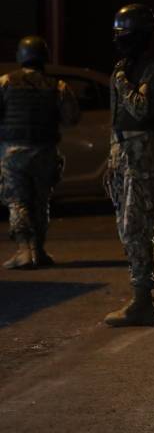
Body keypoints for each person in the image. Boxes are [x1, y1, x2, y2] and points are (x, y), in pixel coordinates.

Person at [103, 4, 154, 327]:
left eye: (124, 34)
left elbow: (142, 110)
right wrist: (111, 158)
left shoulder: (150, 69)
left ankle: (142, 299)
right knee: (125, 228)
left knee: (136, 227)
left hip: (143, 154)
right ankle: (140, 298)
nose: (119, 41)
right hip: (124, 154)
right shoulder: (123, 67)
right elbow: (118, 120)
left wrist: (122, 84)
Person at [0, 36, 80, 269]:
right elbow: (71, 117)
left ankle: (25, 251)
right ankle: (40, 250)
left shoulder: (6, 82)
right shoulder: (58, 86)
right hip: (45, 151)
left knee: (17, 201)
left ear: (20, 56)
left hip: (14, 153)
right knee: (41, 201)